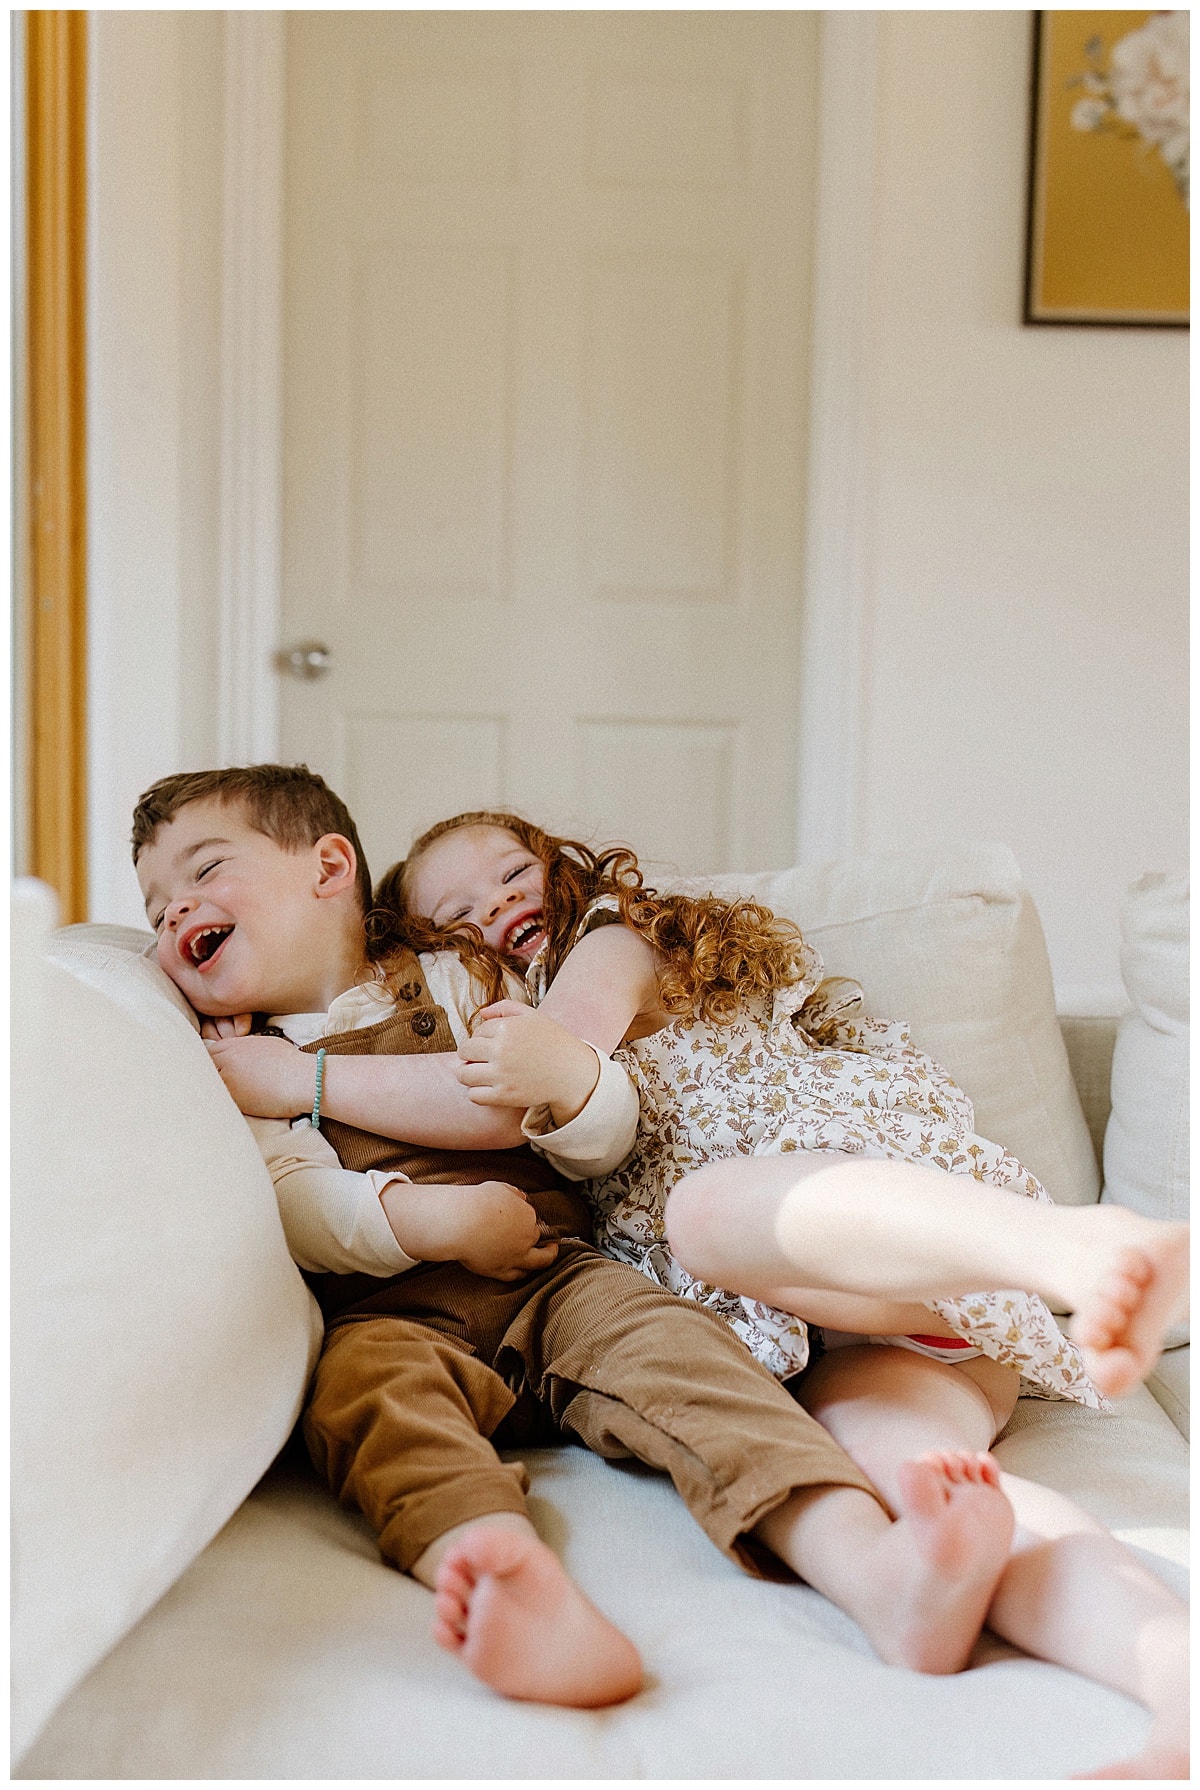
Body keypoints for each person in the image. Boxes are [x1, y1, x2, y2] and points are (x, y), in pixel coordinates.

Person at [256, 806, 1184, 1779]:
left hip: (886, 1220)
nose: (497, 904)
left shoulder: (612, 936)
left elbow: (549, 1065)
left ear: (563, 869)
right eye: (459, 910)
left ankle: (1078, 1250)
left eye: (510, 873)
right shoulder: (481, 1014)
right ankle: (1171, 1693)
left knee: (703, 1211)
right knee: (936, 1498)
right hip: (846, 1339)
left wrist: (295, 1076)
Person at [131, 764, 1024, 1717]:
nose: (174, 908)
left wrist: (572, 1093)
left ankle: (870, 1565)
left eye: (205, 869)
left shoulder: (465, 973)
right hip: (396, 1309)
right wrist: (426, 1219)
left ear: (329, 866)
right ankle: (500, 1568)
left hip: (557, 1279)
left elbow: (596, 1118)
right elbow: (296, 1200)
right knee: (362, 1399)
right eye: (153, 905)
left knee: (684, 1356)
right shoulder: (235, 1050)